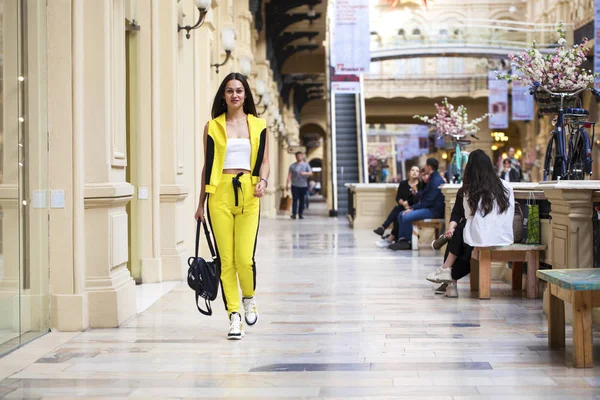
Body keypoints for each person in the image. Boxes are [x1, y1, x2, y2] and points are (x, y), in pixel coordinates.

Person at [194, 73, 270, 340]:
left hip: (249, 194)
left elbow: (264, 161)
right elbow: (208, 166)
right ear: (223, 96)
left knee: (244, 258)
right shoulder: (212, 126)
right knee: (226, 261)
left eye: (239, 90)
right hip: (220, 194)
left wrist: (263, 181)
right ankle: (234, 316)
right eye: (229, 91)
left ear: (245, 95)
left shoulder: (259, 125)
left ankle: (249, 298)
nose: (234, 95)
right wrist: (200, 203)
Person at [426, 150, 514, 298]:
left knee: (461, 238)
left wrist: (455, 228)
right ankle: (448, 276)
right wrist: (451, 226)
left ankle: (448, 276)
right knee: (459, 235)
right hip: (503, 234)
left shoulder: (469, 190)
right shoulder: (506, 187)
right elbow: (458, 213)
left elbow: (467, 217)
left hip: (483, 236)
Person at [389, 158, 445, 251]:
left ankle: (407, 241)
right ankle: (403, 240)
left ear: (429, 167)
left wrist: (413, 208)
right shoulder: (433, 178)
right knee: (400, 214)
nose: (425, 168)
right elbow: (425, 195)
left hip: (433, 211)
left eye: (426, 166)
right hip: (429, 208)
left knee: (405, 216)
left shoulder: (435, 180)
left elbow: (429, 201)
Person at [373, 165, 422, 238]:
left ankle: (386, 230)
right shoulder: (403, 184)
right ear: (409, 172)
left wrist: (407, 203)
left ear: (419, 174)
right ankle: (392, 236)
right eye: (412, 170)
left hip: (413, 208)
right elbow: (398, 196)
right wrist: (400, 201)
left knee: (397, 211)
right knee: (398, 212)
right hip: (402, 207)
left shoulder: (421, 185)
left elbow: (419, 198)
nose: (414, 172)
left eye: (417, 171)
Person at [287, 151, 312, 219]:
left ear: (302, 156)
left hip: (303, 185)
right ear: (296, 157)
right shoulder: (292, 166)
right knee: (295, 199)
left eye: (300, 156)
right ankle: (294, 214)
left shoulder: (306, 165)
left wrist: (304, 173)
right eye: (297, 156)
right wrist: (287, 184)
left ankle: (300, 214)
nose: (299, 157)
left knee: (302, 200)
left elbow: (310, 173)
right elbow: (289, 175)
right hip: (294, 185)